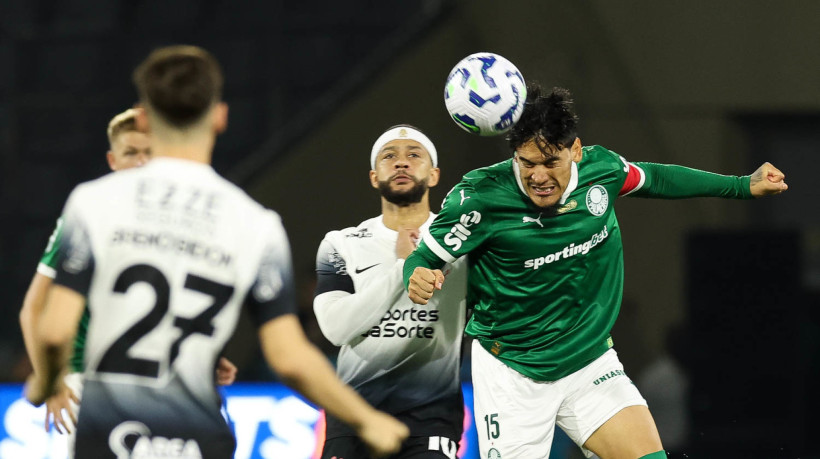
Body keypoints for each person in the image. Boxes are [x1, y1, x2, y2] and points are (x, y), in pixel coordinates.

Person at [24, 44, 408, 458]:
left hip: (109, 436)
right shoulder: (253, 223)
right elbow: (290, 357)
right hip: (196, 438)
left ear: (143, 118)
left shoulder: (93, 203)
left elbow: (53, 330)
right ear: (221, 116)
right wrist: (367, 418)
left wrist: (46, 382)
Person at [404, 84, 788, 459]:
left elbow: (657, 178)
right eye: (527, 163)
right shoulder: (478, 198)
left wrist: (740, 186)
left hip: (588, 361)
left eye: (551, 161)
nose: (538, 176)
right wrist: (417, 275)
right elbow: (422, 259)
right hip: (513, 372)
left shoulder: (601, 170)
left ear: (576, 150)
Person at [18, 108, 238, 452]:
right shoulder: (87, 216)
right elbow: (33, 308)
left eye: (148, 153)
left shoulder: (179, 223)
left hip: (162, 381)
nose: (140, 162)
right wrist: (53, 383)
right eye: (130, 153)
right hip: (88, 381)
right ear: (112, 160)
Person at [313, 125, 468, 458]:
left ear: (435, 174)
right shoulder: (339, 243)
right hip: (354, 415)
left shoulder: (460, 242)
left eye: (414, 155)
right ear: (373, 176)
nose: (401, 163)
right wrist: (403, 269)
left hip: (432, 414)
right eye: (389, 156)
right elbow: (335, 329)